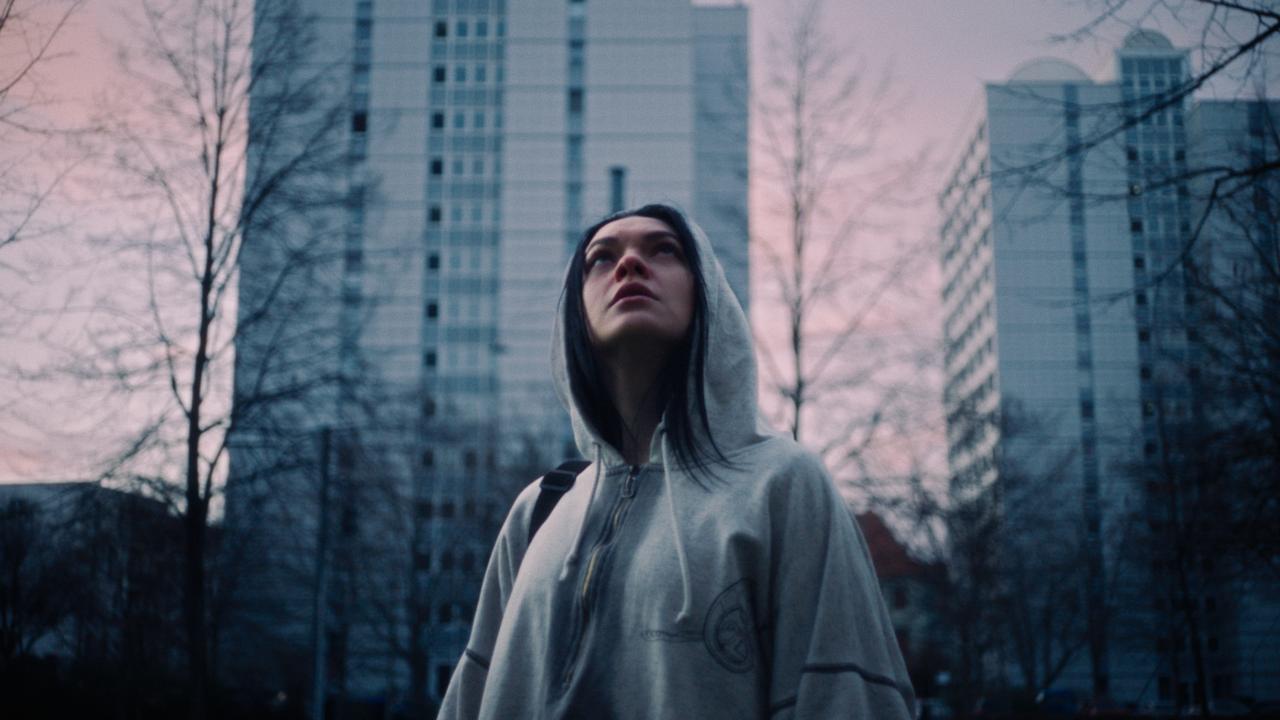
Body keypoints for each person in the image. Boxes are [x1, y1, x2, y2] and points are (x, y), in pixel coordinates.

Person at [439, 204, 914, 719]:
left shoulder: (782, 484)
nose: (629, 265)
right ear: (573, 315)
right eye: (601, 258)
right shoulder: (537, 513)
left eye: (664, 250)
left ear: (707, 292)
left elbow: (845, 701)